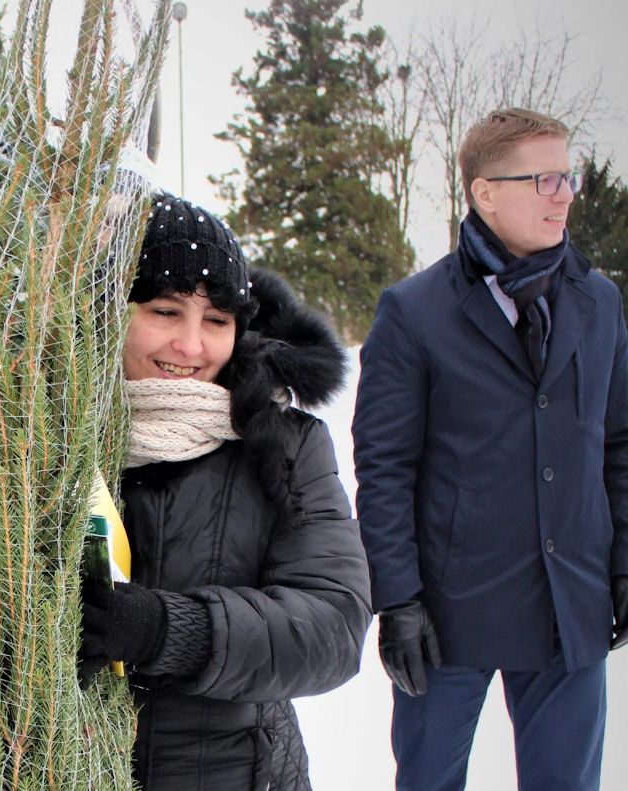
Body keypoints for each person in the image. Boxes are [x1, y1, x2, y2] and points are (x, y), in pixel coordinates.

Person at [352, 107, 628, 791]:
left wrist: (624, 558)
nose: (564, 194)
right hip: (448, 614)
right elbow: (384, 468)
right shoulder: (413, 312)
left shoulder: (599, 302)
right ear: (483, 191)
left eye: (569, 176)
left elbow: (619, 442)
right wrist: (399, 599)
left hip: (571, 606)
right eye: (544, 179)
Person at [77, 194, 371, 790]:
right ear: (109, 309)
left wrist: (170, 630)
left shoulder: (284, 444)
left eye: (217, 321)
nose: (192, 346)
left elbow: (332, 627)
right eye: (164, 311)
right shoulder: (36, 432)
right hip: (58, 769)